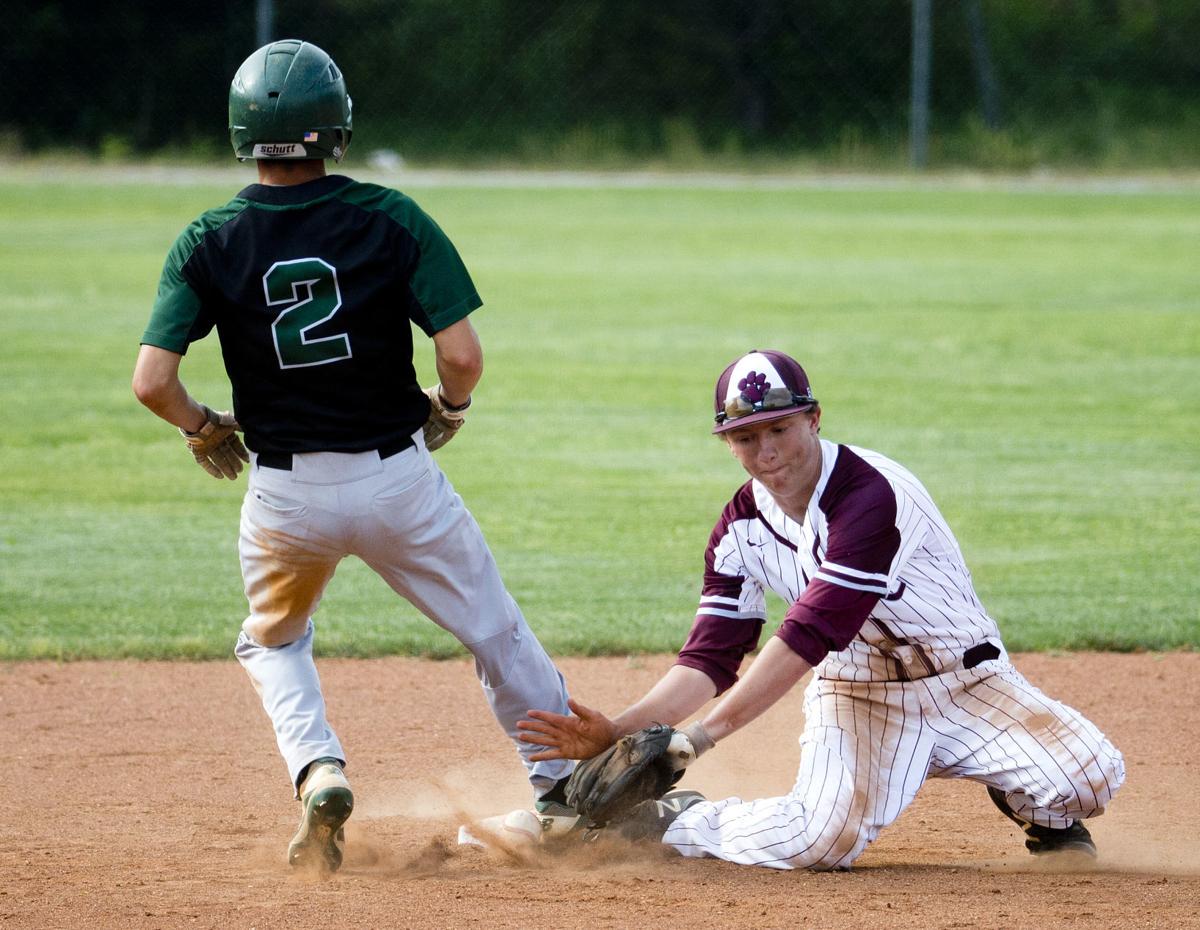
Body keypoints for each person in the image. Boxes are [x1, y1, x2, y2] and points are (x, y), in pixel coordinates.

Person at [132, 39, 574, 873]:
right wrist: (451, 409)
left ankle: (319, 771)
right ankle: (560, 788)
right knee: (495, 634)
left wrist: (202, 427)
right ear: (334, 130)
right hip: (398, 478)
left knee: (274, 641)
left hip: (284, 495)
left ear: (241, 135)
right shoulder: (390, 217)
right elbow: (464, 356)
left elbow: (153, 381)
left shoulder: (209, 238)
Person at [519, 349, 1124, 869]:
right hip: (859, 698)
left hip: (969, 682)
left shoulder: (872, 494)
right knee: (818, 842)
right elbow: (711, 655)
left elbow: (812, 630)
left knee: (1091, 776)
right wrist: (620, 729)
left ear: (813, 419)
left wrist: (696, 739)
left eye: (780, 429)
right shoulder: (739, 529)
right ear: (728, 442)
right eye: (746, 437)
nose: (767, 451)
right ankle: (671, 822)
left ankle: (1034, 806)